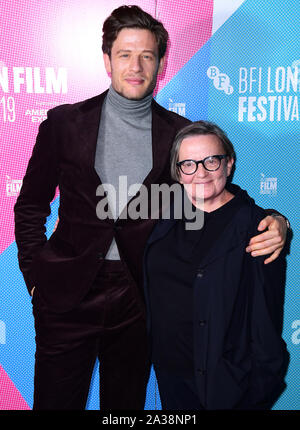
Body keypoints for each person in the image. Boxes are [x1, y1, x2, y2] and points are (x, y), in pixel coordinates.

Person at [14, 5, 288, 410]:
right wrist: (35, 276)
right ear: (107, 60)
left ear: (161, 63)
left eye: (147, 55)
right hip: (66, 295)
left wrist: (274, 220)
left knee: (124, 410)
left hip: (141, 299)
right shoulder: (63, 123)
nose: (136, 65)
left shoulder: (178, 133)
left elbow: (212, 189)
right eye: (125, 54)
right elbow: (31, 206)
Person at [144, 121, 289, 410]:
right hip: (171, 377)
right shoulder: (161, 217)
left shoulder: (258, 229)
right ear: (178, 172)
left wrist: (280, 222)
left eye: (211, 160)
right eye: (189, 164)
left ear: (229, 164)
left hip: (227, 385)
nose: (201, 172)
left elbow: (266, 325)